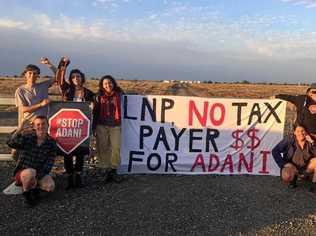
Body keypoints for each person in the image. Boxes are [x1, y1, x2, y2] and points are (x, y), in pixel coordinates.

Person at [55, 57, 94, 189]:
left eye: (78, 76)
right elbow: (59, 78)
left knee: (80, 151)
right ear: (71, 79)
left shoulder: (88, 93)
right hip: (67, 125)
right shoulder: (67, 90)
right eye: (73, 77)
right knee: (67, 151)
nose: (76, 78)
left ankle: (78, 175)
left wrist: (93, 107)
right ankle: (70, 176)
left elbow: (94, 107)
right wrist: (63, 64)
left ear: (82, 78)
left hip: (81, 126)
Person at [7, 116, 58, 206]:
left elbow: (49, 163)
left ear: (48, 125)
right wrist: (20, 129)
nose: (41, 126)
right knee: (30, 172)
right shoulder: (28, 137)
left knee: (50, 186)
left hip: (38, 173)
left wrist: (37, 177)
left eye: (43, 124)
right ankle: (26, 195)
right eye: (38, 124)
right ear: (34, 126)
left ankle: (34, 189)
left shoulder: (52, 142)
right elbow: (10, 143)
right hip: (23, 172)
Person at [92, 75, 123, 183]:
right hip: (101, 125)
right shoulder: (98, 96)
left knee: (116, 147)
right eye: (105, 83)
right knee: (102, 148)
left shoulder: (120, 94)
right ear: (102, 85)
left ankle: (113, 169)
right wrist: (94, 127)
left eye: (109, 82)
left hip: (116, 125)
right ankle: (105, 169)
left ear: (113, 83)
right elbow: (95, 112)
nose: (108, 85)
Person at [272, 124, 316, 191]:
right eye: (298, 131)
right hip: (292, 166)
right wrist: (284, 164)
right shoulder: (289, 139)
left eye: (303, 131)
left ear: (306, 132)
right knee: (286, 176)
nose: (301, 133)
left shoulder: (310, 140)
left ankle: (313, 184)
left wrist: (312, 142)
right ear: (294, 132)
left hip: (306, 168)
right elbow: (275, 151)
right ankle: (293, 179)